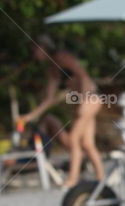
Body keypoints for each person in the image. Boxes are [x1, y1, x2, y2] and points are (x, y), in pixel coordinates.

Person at [20, 35, 104, 187]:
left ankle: (73, 178)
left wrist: (84, 100)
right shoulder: (52, 68)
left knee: (73, 139)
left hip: (90, 98)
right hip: (82, 102)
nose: (34, 54)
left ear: (44, 48)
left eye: (36, 50)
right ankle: (100, 178)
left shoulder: (61, 57)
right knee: (87, 144)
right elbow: (50, 99)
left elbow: (83, 75)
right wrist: (30, 116)